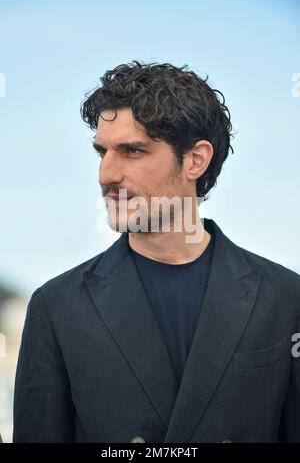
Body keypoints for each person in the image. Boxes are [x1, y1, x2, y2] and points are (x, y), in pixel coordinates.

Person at [13, 60, 300, 443]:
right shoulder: (56, 306)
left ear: (196, 159)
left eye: (132, 151)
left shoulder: (285, 298)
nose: (106, 175)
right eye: (102, 152)